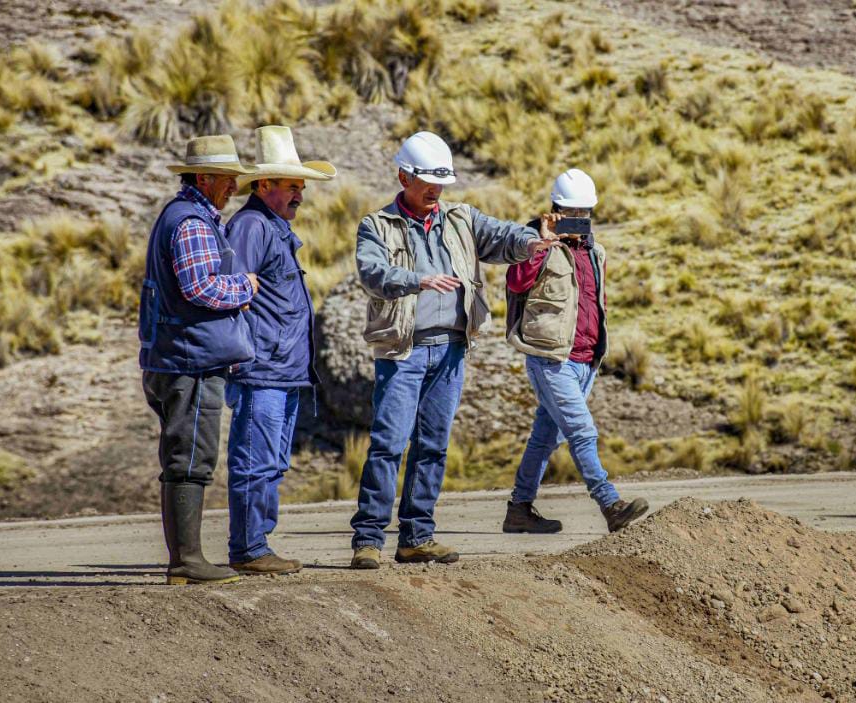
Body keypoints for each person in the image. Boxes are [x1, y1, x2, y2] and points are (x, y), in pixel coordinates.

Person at [349, 131, 559, 570]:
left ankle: (416, 537)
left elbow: (502, 237)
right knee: (388, 444)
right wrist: (416, 280)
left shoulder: (461, 218)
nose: (435, 190)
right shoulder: (376, 225)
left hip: (450, 350)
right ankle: (368, 540)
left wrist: (531, 242)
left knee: (433, 446)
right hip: (403, 352)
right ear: (403, 175)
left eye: (440, 182)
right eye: (427, 181)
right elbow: (371, 273)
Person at [138, 134, 259, 585]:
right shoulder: (191, 222)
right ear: (205, 178)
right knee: (190, 456)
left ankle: (186, 559)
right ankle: (186, 560)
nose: (233, 187)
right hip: (188, 361)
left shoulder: (182, 216)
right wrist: (246, 286)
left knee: (185, 454)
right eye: (227, 179)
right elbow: (201, 288)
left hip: (175, 356)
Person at [502, 168, 649, 535]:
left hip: (587, 359)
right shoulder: (534, 241)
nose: (579, 221)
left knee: (545, 437)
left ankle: (519, 509)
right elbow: (516, 281)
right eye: (572, 213)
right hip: (551, 359)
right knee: (582, 431)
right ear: (555, 210)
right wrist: (543, 241)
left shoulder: (595, 251)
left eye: (585, 214)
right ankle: (610, 503)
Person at [223, 126, 336, 576]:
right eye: (292, 186)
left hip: (282, 369)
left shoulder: (271, 226)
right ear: (264, 185)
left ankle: (255, 544)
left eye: (302, 188)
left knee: (269, 461)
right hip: (262, 368)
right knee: (256, 460)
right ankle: (250, 548)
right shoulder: (251, 225)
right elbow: (234, 290)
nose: (300, 197)